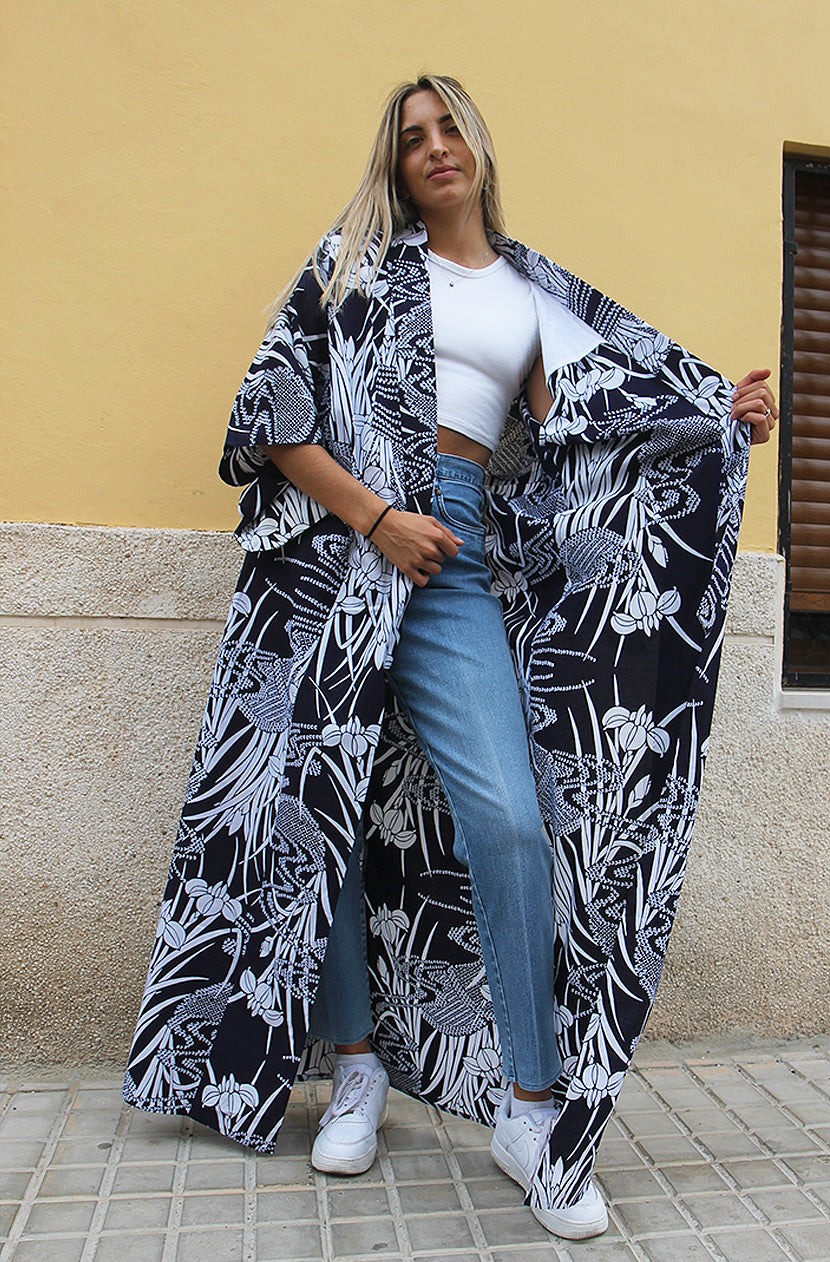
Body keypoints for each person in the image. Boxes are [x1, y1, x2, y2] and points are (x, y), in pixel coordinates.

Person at [124, 74, 777, 1241]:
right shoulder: (354, 266)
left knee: (509, 818)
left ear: (477, 146)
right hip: (335, 554)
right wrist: (376, 516)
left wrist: (717, 418)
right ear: (395, 161)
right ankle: (358, 1065)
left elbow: (601, 426)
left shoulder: (531, 294)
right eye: (410, 137)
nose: (433, 149)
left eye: (448, 130)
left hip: (457, 562)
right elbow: (271, 416)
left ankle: (532, 1108)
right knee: (314, 805)